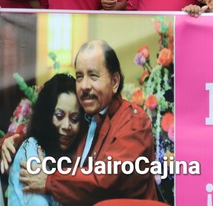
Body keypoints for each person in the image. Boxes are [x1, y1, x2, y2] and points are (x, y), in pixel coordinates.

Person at [19, 40, 159, 202]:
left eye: (93, 76)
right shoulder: (83, 118)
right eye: (79, 77)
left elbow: (106, 181)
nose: (84, 86)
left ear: (114, 82)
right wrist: (16, 140)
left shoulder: (132, 121)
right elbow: (49, 134)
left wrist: (50, 182)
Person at [6, 74, 86, 206]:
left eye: (74, 119)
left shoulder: (70, 154)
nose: (66, 126)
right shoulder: (31, 150)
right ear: (46, 115)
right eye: (59, 116)